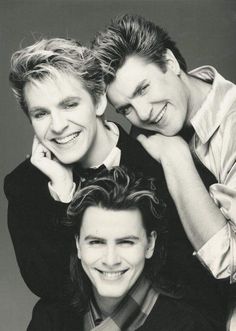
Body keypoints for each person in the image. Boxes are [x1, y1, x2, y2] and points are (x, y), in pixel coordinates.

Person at [4, 37, 224, 324]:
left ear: (98, 100)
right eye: (41, 113)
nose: (57, 126)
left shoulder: (163, 158)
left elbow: (203, 279)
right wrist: (64, 197)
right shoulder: (25, 186)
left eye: (69, 105)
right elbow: (53, 288)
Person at [92, 12, 236, 309]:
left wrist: (176, 159)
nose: (143, 113)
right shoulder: (148, 136)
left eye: (143, 89)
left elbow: (229, 261)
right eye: (126, 108)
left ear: (170, 63)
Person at [27, 167, 223, 331]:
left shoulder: (189, 326)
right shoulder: (50, 319)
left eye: (126, 242)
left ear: (150, 244)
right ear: (78, 245)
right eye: (96, 242)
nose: (111, 260)